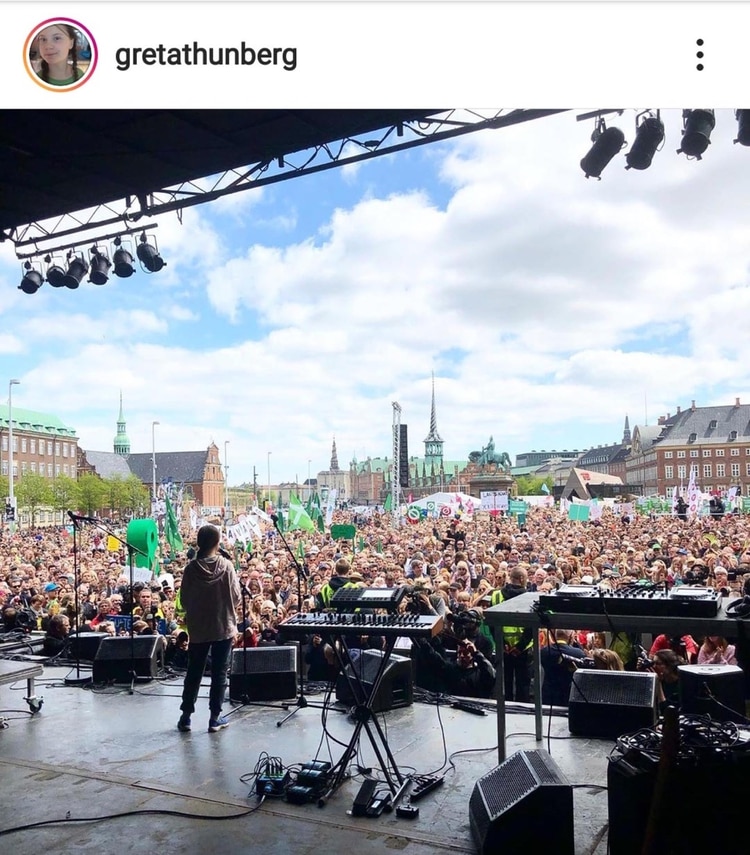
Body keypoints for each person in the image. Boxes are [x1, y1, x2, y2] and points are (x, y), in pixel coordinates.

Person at [177, 525, 241, 733]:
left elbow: (184, 601)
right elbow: (237, 597)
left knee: (194, 671)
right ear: (217, 542)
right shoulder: (227, 566)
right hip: (223, 626)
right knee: (219, 672)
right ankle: (215, 718)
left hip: (199, 628)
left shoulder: (190, 569)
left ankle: (186, 716)